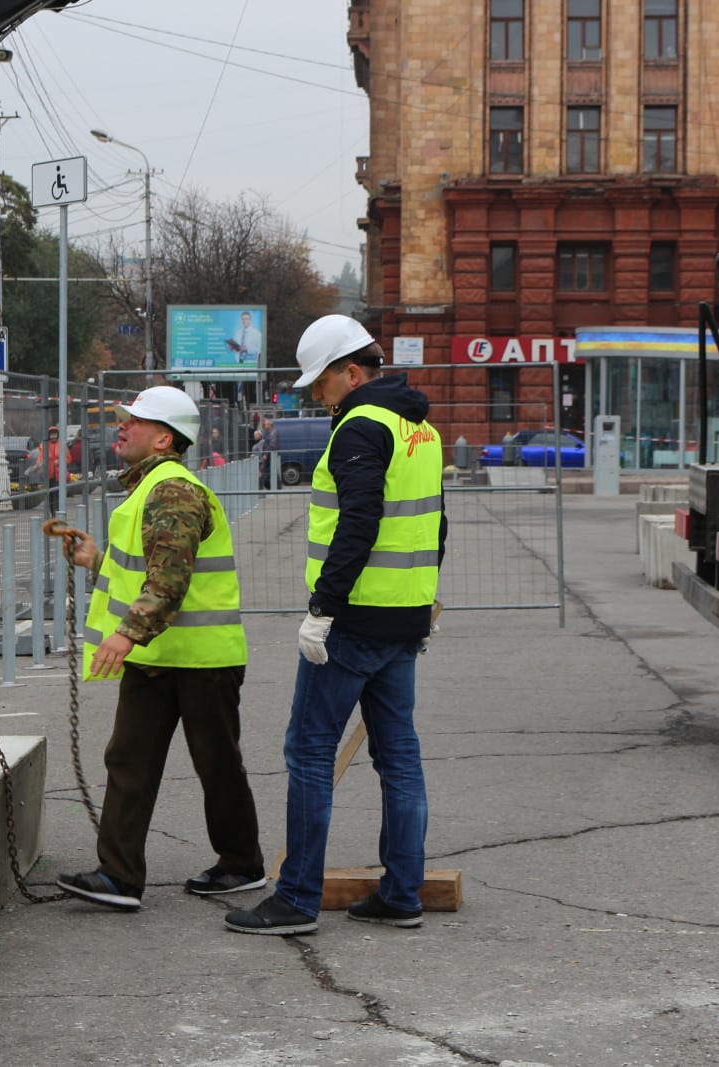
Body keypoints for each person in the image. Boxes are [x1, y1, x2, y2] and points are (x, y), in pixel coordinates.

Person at [226, 315, 444, 936]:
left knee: (310, 750)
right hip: (403, 615)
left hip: (352, 621)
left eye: (321, 383)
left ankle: (296, 899)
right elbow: (435, 522)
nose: (316, 395)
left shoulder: (358, 426)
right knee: (398, 753)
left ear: (352, 371)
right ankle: (403, 893)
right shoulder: (419, 427)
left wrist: (322, 608)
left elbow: (359, 524)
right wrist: (425, 599)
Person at [55, 386, 264, 912]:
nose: (122, 427)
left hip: (200, 659)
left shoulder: (173, 490)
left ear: (164, 437)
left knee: (216, 763)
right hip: (156, 657)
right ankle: (119, 876)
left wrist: (126, 634)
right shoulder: (150, 489)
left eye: (135, 422)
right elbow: (147, 574)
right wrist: (97, 561)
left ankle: (240, 864)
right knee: (129, 760)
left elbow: (171, 576)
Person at [257, 416, 279, 490]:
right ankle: (277, 486)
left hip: (270, 455)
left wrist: (266, 454)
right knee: (271, 471)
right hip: (270, 455)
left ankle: (261, 487)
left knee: (264, 472)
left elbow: (272, 445)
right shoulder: (270, 432)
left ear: (270, 424)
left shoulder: (273, 433)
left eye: (265, 424)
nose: (264, 425)